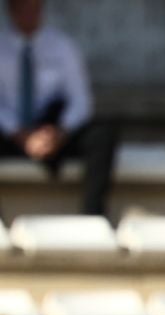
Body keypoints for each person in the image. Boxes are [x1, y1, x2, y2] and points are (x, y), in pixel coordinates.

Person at [0, 0, 115, 216]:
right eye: (23, 7)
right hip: (10, 134)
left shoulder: (62, 46)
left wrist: (58, 133)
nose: (30, 14)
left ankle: (92, 216)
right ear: (11, 10)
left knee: (103, 134)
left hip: (52, 132)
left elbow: (81, 102)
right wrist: (20, 135)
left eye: (35, 7)